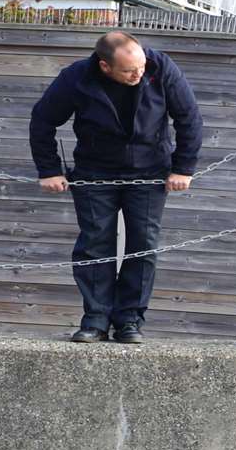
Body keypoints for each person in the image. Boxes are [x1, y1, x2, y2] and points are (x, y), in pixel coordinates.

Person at [30, 31, 203, 345]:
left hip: (149, 172)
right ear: (105, 67)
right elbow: (43, 120)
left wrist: (183, 167)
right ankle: (95, 320)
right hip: (95, 172)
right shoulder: (76, 78)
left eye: (140, 65)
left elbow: (188, 117)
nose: (139, 73)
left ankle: (129, 321)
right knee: (95, 246)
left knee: (143, 245)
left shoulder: (160, 67)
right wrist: (49, 170)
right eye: (129, 70)